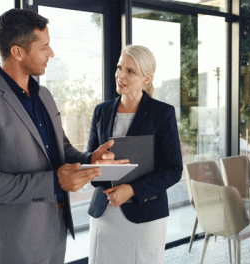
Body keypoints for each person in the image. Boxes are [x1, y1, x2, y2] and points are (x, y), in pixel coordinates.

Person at [0, 9, 127, 264]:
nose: (52, 53)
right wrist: (55, 183)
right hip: (17, 237)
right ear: (18, 52)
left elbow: (61, 150)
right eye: (44, 47)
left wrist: (91, 158)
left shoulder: (44, 94)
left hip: (56, 226)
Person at [86, 45, 183, 263]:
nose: (121, 75)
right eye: (120, 68)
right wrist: (96, 164)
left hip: (145, 213)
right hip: (105, 211)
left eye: (130, 71)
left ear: (146, 79)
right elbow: (89, 158)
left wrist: (131, 190)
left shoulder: (162, 113)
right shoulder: (101, 111)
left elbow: (174, 170)